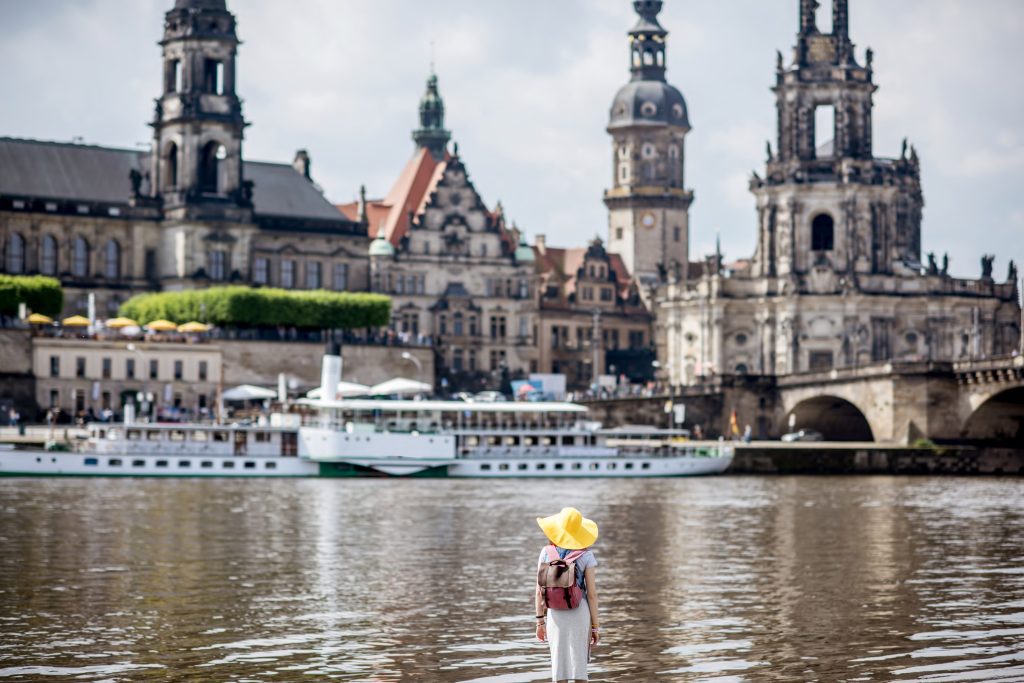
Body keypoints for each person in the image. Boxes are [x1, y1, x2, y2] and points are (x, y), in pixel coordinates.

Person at [535, 507, 600, 683]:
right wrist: (595, 627)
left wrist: (540, 621)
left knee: (559, 670)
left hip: (555, 615)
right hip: (580, 612)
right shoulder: (586, 555)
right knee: (579, 671)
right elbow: (592, 595)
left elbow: (539, 591)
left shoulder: (546, 553)